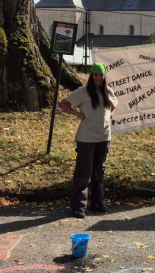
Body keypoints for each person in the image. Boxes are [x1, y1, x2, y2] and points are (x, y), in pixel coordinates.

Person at [58, 63, 118, 219]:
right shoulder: (83, 92)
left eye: (101, 74)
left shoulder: (107, 91)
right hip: (86, 139)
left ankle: (97, 203)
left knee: (99, 171)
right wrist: (77, 115)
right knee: (83, 173)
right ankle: (78, 207)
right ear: (91, 76)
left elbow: (116, 104)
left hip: (104, 138)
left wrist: (111, 114)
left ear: (104, 76)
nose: (98, 77)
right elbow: (63, 104)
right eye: (95, 74)